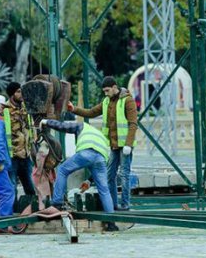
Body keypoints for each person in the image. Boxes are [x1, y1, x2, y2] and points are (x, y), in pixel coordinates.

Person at [67, 76, 138, 211]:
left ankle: (125, 204)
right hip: (113, 145)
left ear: (114, 87)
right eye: (104, 91)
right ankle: (114, 204)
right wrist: (74, 109)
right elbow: (91, 112)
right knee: (110, 175)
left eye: (107, 90)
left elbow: (133, 124)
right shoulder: (106, 102)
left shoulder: (127, 101)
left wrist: (128, 144)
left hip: (125, 146)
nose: (106, 93)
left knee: (124, 174)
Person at [40, 119, 119, 231]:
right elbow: (96, 160)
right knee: (104, 190)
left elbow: (63, 126)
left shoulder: (82, 126)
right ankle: (112, 223)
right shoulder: (99, 134)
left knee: (62, 170)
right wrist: (88, 181)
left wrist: (47, 122)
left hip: (86, 153)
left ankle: (57, 204)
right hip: (101, 158)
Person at [3, 82, 36, 202]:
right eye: (18, 91)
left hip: (26, 155)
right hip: (12, 155)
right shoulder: (4, 110)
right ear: (12, 94)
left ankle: (32, 206)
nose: (21, 94)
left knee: (30, 185)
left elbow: (30, 126)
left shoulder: (25, 108)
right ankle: (13, 211)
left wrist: (33, 146)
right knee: (12, 186)